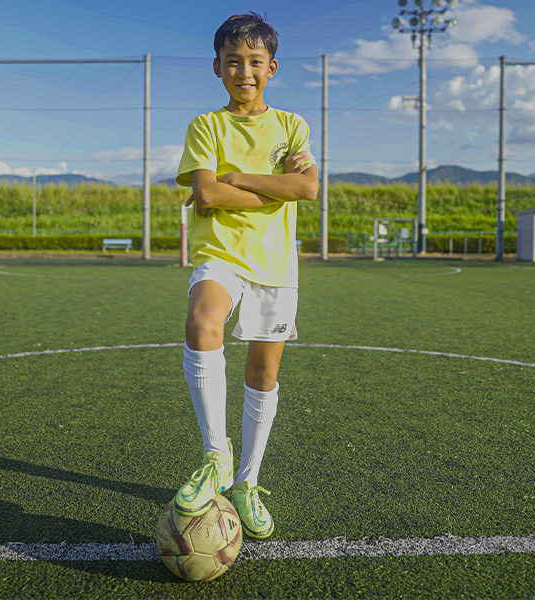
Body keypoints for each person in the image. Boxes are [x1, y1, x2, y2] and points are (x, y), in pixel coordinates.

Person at [173, 12, 318, 540]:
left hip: (276, 265)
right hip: (222, 254)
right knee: (202, 324)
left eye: (255, 61)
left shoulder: (293, 126)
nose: (244, 71)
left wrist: (239, 178)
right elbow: (206, 194)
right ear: (217, 67)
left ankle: (247, 484)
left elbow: (307, 190)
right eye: (233, 61)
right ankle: (217, 458)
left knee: (263, 375)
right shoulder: (206, 126)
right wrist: (275, 184)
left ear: (272, 67)